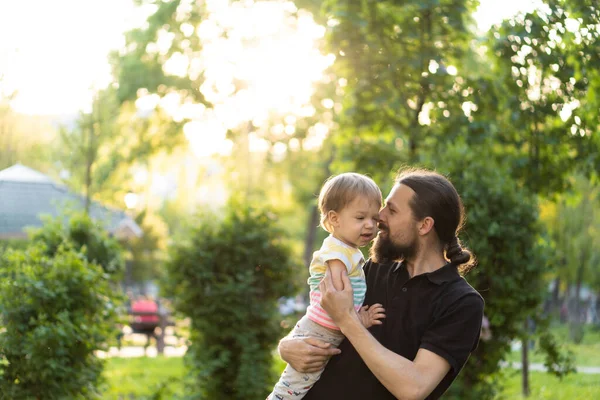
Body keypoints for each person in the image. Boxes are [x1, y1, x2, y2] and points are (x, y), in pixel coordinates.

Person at [278, 168, 484, 400]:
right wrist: (287, 347)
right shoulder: (373, 268)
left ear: (424, 225)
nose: (379, 217)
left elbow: (414, 388)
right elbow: (321, 318)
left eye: (392, 210)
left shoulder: (461, 302)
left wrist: (348, 320)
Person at [268, 172, 386, 400]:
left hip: (326, 328)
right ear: (334, 219)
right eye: (360, 218)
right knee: (294, 387)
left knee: (302, 384)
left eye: (374, 218)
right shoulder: (336, 254)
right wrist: (360, 320)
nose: (370, 225)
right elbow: (337, 298)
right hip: (320, 330)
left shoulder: (347, 250)